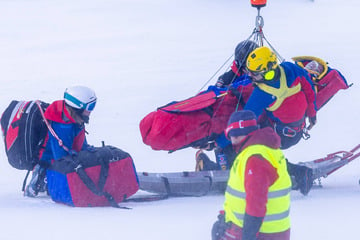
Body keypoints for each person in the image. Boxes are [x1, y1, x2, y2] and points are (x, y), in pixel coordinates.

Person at [211, 110, 291, 240]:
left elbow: (256, 202)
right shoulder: (260, 150)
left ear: (235, 135)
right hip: (261, 230)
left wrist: (248, 235)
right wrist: (226, 216)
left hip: (261, 233)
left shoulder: (255, 158)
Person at [24, 86, 97, 197]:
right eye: (90, 106)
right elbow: (61, 158)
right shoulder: (62, 125)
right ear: (78, 107)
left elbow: (80, 143)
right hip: (47, 166)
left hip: (60, 163)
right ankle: (35, 189)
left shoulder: (74, 119)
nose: (91, 110)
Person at [244, 46, 317, 149]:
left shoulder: (261, 93)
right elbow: (309, 90)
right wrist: (312, 114)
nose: (250, 75)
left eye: (254, 73)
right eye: (248, 71)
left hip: (279, 138)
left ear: (268, 72)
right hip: (298, 130)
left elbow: (244, 122)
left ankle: (279, 164)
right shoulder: (291, 68)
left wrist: (219, 143)